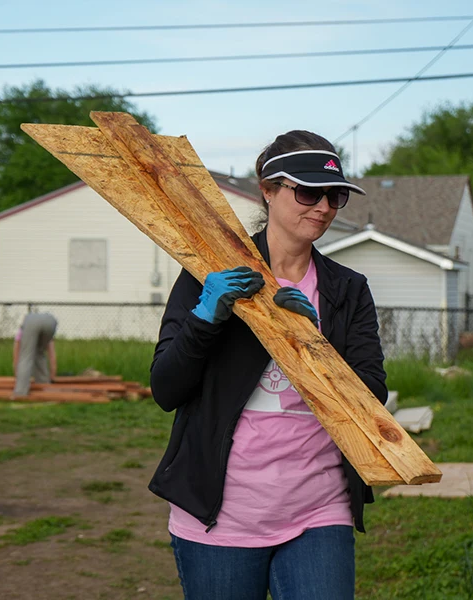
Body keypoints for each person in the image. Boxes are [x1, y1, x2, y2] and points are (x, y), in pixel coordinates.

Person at [149, 131, 387, 600]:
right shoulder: (207, 272)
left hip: (319, 508)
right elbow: (165, 389)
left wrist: (314, 346)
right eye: (307, 191)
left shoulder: (348, 289)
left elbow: (371, 396)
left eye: (335, 195)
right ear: (268, 189)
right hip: (220, 516)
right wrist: (206, 319)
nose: (322, 207)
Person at [12, 312, 58, 397]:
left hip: (31, 321)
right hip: (51, 321)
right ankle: (44, 387)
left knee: (25, 356)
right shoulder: (46, 333)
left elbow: (17, 355)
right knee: (39, 353)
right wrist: (52, 376)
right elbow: (52, 355)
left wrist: (17, 375)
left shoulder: (22, 331)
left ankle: (20, 393)